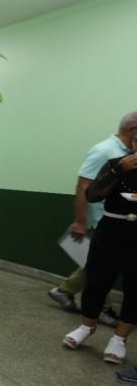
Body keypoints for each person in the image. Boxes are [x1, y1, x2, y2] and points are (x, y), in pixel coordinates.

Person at [49, 112, 137, 325]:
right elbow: (83, 186)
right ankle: (101, 309)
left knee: (96, 264)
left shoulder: (127, 152)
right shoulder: (104, 151)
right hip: (102, 218)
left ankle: (66, 291)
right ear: (133, 131)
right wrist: (79, 221)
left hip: (121, 222)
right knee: (99, 266)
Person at [62, 135, 137, 372]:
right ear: (133, 143)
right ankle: (86, 326)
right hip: (111, 231)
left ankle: (119, 339)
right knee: (96, 281)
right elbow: (93, 194)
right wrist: (118, 170)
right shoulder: (116, 163)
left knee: (135, 288)